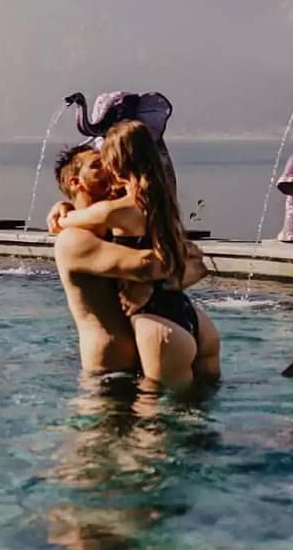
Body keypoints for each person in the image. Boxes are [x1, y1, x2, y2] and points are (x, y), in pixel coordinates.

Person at [49, 123, 221, 387]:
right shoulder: (74, 239)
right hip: (110, 370)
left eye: (107, 161)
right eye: (97, 165)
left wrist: (153, 289)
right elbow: (160, 263)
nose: (107, 167)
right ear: (76, 182)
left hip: (154, 337)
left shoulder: (124, 218)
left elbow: (193, 264)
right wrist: (64, 212)